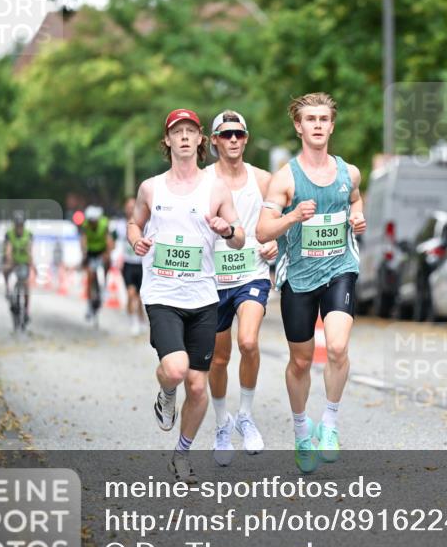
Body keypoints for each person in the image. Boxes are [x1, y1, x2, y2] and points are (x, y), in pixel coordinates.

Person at [127, 108, 245, 483]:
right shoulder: (151, 187)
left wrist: (226, 230)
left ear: (199, 140)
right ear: (167, 140)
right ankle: (165, 392)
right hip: (162, 294)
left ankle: (181, 454)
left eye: (189, 130)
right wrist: (137, 241)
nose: (183, 136)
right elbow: (134, 222)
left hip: (203, 296)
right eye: (176, 131)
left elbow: (241, 236)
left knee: (197, 386)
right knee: (176, 371)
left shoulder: (216, 189)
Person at [257, 92, 366, 473]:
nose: (318, 125)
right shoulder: (285, 178)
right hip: (299, 276)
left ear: (331, 126)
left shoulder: (348, 172)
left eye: (324, 119)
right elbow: (261, 229)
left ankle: (331, 424)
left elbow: (354, 199)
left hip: (340, 267)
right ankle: (303, 432)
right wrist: (291, 218)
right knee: (301, 361)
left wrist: (357, 217)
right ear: (299, 126)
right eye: (311, 119)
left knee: (337, 347)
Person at [205, 110, 278, 465]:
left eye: (239, 134)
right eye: (226, 134)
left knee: (248, 341)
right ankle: (222, 424)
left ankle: (246, 416)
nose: (233, 140)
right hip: (213, 280)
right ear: (214, 141)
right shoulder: (202, 182)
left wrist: (278, 245)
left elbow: (283, 222)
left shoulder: (263, 180)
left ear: (246, 139)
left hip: (253, 273)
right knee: (218, 358)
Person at [117, 197, 147, 335]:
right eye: (128, 206)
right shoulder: (119, 225)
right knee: (130, 293)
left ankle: (141, 318)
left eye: (132, 206)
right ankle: (133, 320)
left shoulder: (145, 224)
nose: (130, 209)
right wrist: (116, 258)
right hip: (128, 264)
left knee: (140, 297)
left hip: (141, 264)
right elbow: (116, 243)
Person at [81, 204, 114, 321]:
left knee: (106, 265)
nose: (92, 223)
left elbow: (109, 240)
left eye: (93, 221)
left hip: (102, 251)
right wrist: (84, 253)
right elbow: (83, 240)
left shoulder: (104, 224)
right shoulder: (86, 225)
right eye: (90, 221)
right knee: (90, 275)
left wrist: (108, 254)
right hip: (91, 252)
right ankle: (89, 304)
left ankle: (104, 286)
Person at [3, 212, 33, 326]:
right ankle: (7, 289)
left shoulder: (28, 234)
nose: (19, 228)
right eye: (17, 225)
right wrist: (9, 260)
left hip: (23, 261)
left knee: (26, 285)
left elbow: (29, 249)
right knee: (5, 270)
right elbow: (8, 250)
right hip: (12, 261)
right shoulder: (9, 234)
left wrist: (31, 262)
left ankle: (25, 311)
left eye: (21, 225)